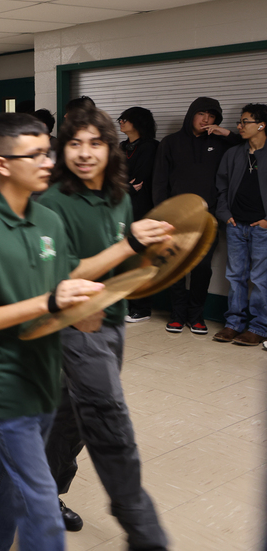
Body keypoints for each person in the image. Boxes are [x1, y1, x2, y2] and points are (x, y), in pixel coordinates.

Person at [0, 112, 104, 551]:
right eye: (34, 155)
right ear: (1, 164)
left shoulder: (49, 220)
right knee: (40, 501)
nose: (48, 162)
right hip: (5, 385)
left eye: (47, 152)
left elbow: (65, 285)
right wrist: (48, 303)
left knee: (7, 472)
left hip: (47, 376)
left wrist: (90, 302)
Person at [38, 102, 171, 549]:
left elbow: (123, 259)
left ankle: (42, 494)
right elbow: (61, 277)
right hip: (75, 326)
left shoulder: (119, 197)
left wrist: (158, 251)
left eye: (95, 143)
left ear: (110, 149)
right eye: (74, 143)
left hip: (112, 322)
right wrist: (129, 243)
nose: (84, 152)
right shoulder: (52, 203)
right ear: (63, 150)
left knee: (71, 419)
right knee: (109, 423)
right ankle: (144, 533)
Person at [153, 96, 240, 334]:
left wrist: (226, 133)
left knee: (202, 267)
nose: (206, 119)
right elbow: (159, 181)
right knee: (176, 266)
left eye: (211, 116)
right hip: (176, 217)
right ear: (191, 114)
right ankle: (177, 314)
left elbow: (248, 145)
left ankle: (196, 315)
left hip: (207, 217)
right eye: (202, 114)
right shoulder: (170, 142)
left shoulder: (221, 144)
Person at [214, 103, 267, 346]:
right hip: (236, 225)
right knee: (235, 276)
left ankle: (259, 327)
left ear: (261, 125)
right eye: (240, 121)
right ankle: (233, 324)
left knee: (260, 279)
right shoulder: (234, 153)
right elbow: (221, 187)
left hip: (261, 228)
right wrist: (225, 215)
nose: (239, 126)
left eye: (245, 121)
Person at [118, 106, 159, 322]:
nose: (121, 122)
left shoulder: (150, 146)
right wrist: (126, 185)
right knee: (123, 257)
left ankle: (141, 308)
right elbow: (113, 176)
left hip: (143, 209)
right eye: (121, 119)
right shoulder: (121, 146)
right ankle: (125, 303)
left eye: (126, 119)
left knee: (141, 258)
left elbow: (141, 179)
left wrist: (123, 184)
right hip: (121, 207)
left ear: (138, 123)